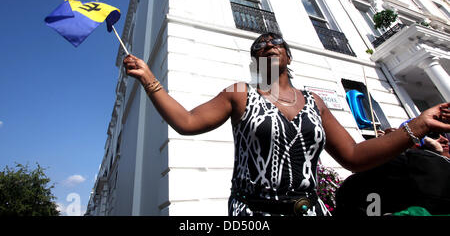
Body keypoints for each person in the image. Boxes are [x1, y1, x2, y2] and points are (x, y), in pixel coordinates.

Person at [123, 32, 450, 216]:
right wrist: (150, 80)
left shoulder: (314, 102)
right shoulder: (239, 94)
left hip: (308, 210)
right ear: (255, 61)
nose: (267, 46)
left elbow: (353, 155)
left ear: (288, 57)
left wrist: (418, 126)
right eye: (259, 47)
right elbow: (187, 122)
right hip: (251, 213)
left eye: (274, 42)